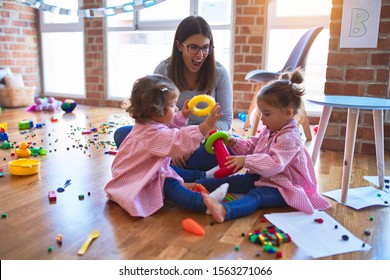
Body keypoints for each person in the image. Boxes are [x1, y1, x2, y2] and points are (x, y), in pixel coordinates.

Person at [187, 68, 331, 223]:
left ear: (288, 114)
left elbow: (274, 164)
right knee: (236, 180)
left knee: (257, 196)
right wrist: (235, 142)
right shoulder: (271, 130)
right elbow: (253, 145)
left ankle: (225, 210)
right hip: (265, 177)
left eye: (267, 114)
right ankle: (194, 185)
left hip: (284, 187)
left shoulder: (290, 137)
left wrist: (245, 161)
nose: (262, 119)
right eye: (260, 113)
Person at [113, 15, 233, 170]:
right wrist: (173, 148)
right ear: (179, 46)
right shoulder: (163, 70)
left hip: (201, 139)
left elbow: (226, 119)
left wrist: (194, 142)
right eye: (193, 47)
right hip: (167, 137)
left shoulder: (219, 73)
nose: (200, 55)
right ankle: (181, 173)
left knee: (231, 146)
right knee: (122, 135)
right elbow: (153, 117)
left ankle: (159, 171)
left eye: (205, 48)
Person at [104, 74, 229, 218]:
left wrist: (183, 114)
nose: (175, 108)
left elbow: (168, 125)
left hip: (144, 169)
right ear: (155, 110)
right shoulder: (152, 135)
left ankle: (205, 176)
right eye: (171, 105)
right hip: (135, 179)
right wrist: (204, 127)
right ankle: (203, 204)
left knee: (168, 169)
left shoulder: (150, 123)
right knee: (169, 183)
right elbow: (177, 139)